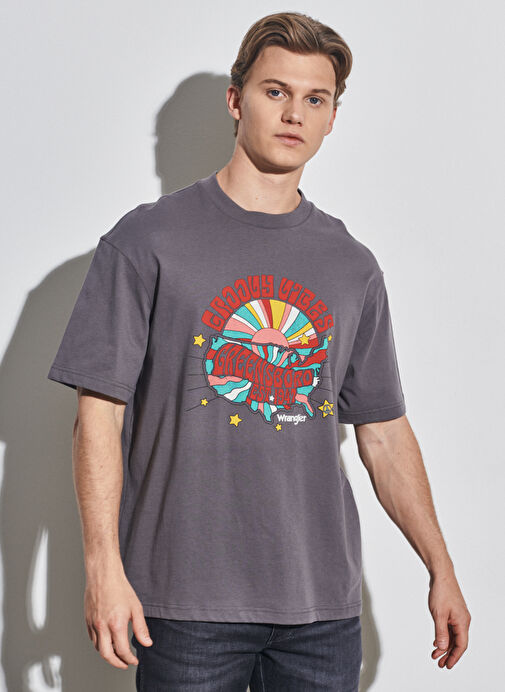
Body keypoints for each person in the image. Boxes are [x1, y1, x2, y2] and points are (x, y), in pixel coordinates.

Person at [47, 10, 471, 691]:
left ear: (332, 118)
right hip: (182, 604)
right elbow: (98, 414)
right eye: (276, 91)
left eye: (315, 99)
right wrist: (102, 568)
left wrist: (439, 567)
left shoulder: (350, 265)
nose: (294, 113)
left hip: (321, 610)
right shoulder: (147, 241)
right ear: (235, 100)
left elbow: (384, 432)